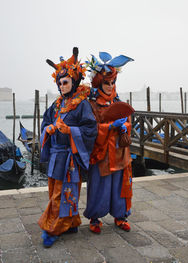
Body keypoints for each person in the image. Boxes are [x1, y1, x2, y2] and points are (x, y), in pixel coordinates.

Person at [38, 47, 97, 247]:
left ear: (74, 82)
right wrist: (49, 130)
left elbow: (90, 128)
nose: (62, 86)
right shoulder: (55, 105)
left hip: (70, 157)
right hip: (55, 155)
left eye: (66, 82)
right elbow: (45, 123)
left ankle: (52, 227)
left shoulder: (82, 105)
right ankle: (71, 222)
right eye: (60, 83)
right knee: (53, 191)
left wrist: (70, 130)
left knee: (61, 195)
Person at [84, 52, 134, 234]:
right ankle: (95, 218)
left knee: (120, 186)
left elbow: (128, 122)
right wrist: (109, 126)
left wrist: (124, 127)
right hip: (101, 153)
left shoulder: (119, 102)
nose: (110, 86)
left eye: (113, 82)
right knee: (99, 185)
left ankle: (121, 216)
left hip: (120, 153)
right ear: (99, 82)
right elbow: (89, 129)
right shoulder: (91, 104)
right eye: (107, 82)